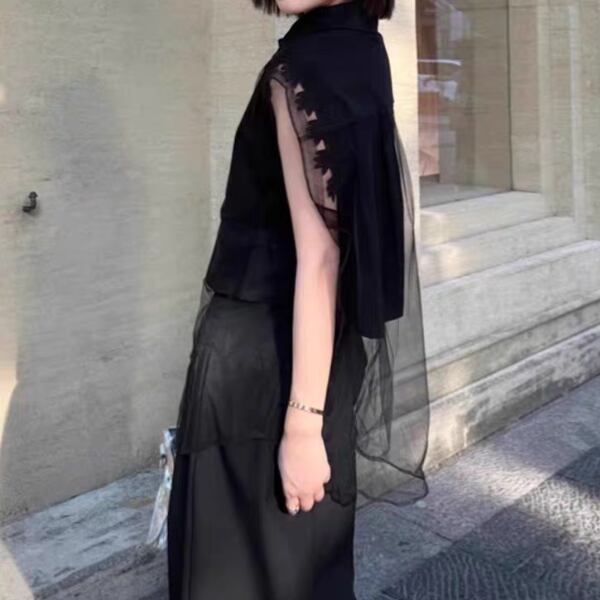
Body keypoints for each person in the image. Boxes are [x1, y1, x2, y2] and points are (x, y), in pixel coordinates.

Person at [167, 0, 431, 598]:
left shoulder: (303, 66)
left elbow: (321, 256)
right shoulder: (362, 49)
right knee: (306, 563)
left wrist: (303, 427)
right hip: (323, 351)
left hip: (264, 362)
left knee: (239, 568)